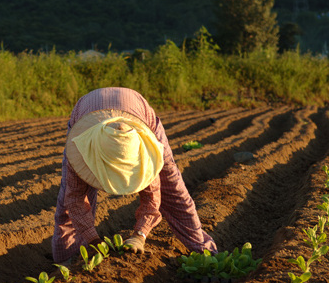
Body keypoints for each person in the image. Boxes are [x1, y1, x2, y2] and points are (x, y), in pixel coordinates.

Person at [52, 87, 217, 263]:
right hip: (86, 116)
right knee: (67, 203)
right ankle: (67, 262)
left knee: (173, 189)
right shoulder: (81, 146)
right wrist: (94, 241)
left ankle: (204, 251)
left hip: (140, 115)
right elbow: (75, 198)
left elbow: (152, 197)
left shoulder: (145, 151)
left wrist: (140, 235)